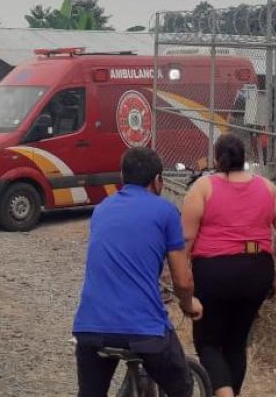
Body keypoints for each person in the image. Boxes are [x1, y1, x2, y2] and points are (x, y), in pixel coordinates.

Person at [73, 147, 202, 397]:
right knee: (181, 386)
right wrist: (188, 305)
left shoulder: (101, 210)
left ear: (123, 177)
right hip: (144, 328)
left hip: (90, 325)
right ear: (157, 180)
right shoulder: (166, 212)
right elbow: (183, 281)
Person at [181, 134, 276, 397]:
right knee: (236, 342)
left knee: (208, 342)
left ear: (216, 158)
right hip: (256, 270)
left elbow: (187, 237)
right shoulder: (268, 188)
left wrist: (181, 271)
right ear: (244, 158)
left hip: (213, 271)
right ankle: (232, 391)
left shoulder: (202, 187)